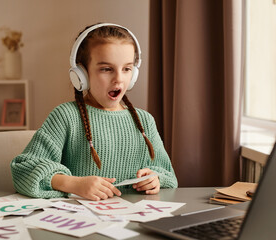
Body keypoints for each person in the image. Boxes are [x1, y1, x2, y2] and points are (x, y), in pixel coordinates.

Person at [10, 23, 178, 201]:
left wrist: (155, 180)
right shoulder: (65, 116)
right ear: (81, 74)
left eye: (127, 69)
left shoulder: (145, 121)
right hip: (78, 223)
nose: (119, 79)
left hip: (131, 224)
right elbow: (23, 170)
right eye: (106, 69)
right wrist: (73, 184)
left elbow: (169, 177)